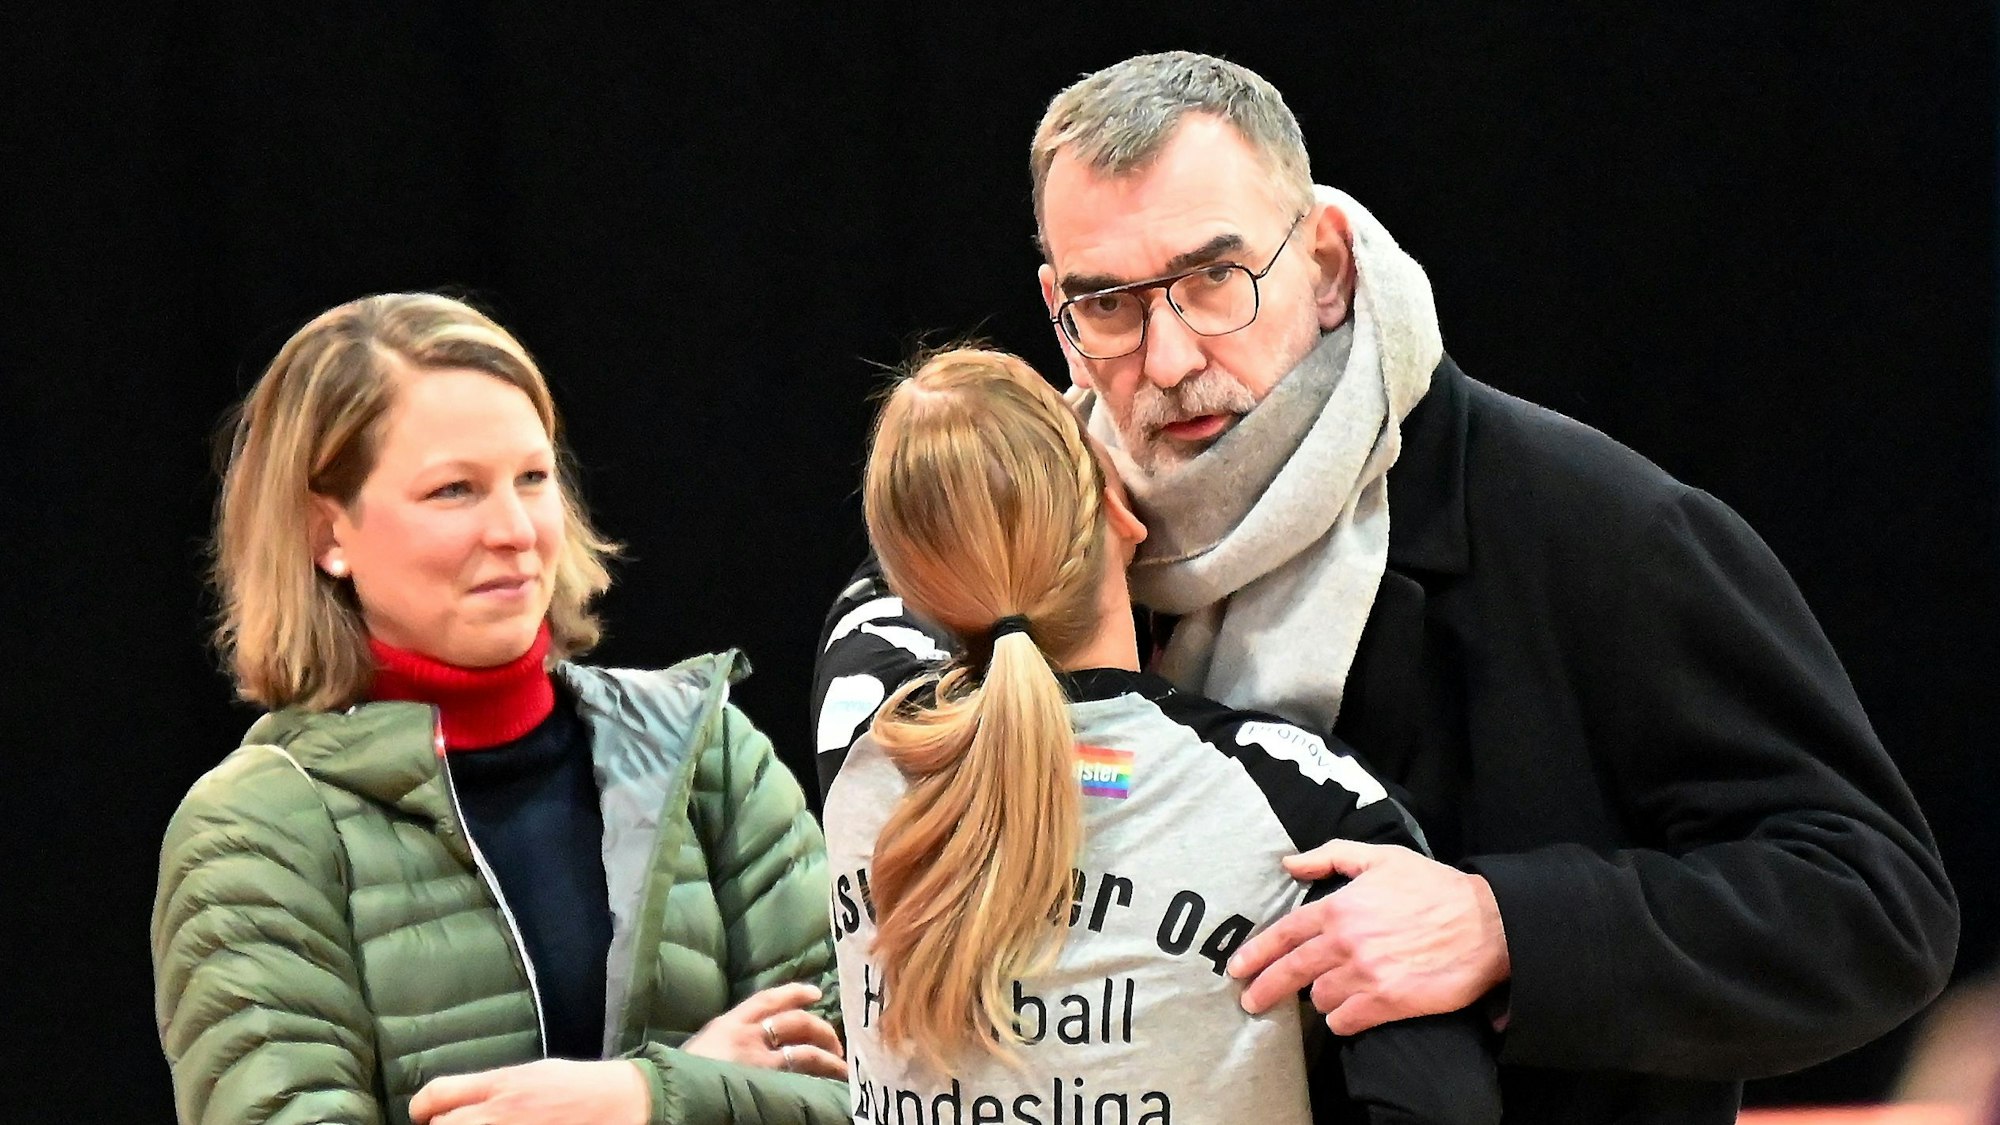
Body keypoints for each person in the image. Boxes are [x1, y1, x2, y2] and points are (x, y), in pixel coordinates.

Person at [814, 52, 1958, 1124]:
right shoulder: (1005, 533)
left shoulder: (1593, 530)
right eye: (1108, 304)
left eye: (1215, 278)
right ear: (1056, 307)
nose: (1165, 359)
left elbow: (1874, 904)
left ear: (1322, 262)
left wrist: (1503, 924)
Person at [154, 293, 850, 1125]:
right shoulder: (255, 830)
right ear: (324, 534)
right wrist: (663, 1095)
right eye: (455, 490)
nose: (516, 529)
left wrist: (641, 1097)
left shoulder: (709, 756)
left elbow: (874, 1090)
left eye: (532, 477)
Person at [826, 345, 1498, 1125]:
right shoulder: (1303, 806)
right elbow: (1442, 1102)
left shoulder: (862, 736)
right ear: (1118, 507)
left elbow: (904, 557)